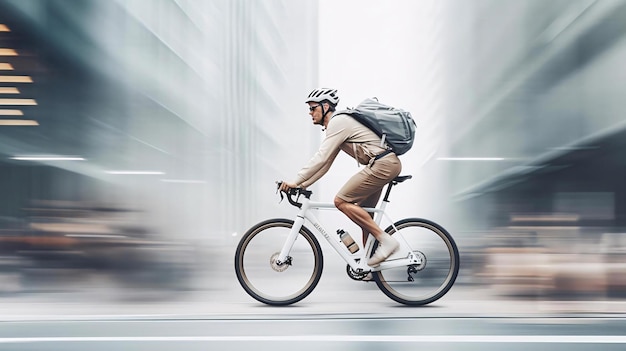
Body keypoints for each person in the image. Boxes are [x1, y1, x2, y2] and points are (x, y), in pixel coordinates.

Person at [279, 88, 402, 267]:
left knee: (341, 201)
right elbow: (326, 163)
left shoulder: (338, 122)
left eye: (313, 108)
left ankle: (387, 241)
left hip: (382, 165)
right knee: (364, 213)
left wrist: (296, 180)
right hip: (383, 164)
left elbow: (320, 157)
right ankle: (369, 266)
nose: (310, 112)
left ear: (326, 106)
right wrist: (303, 185)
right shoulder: (337, 126)